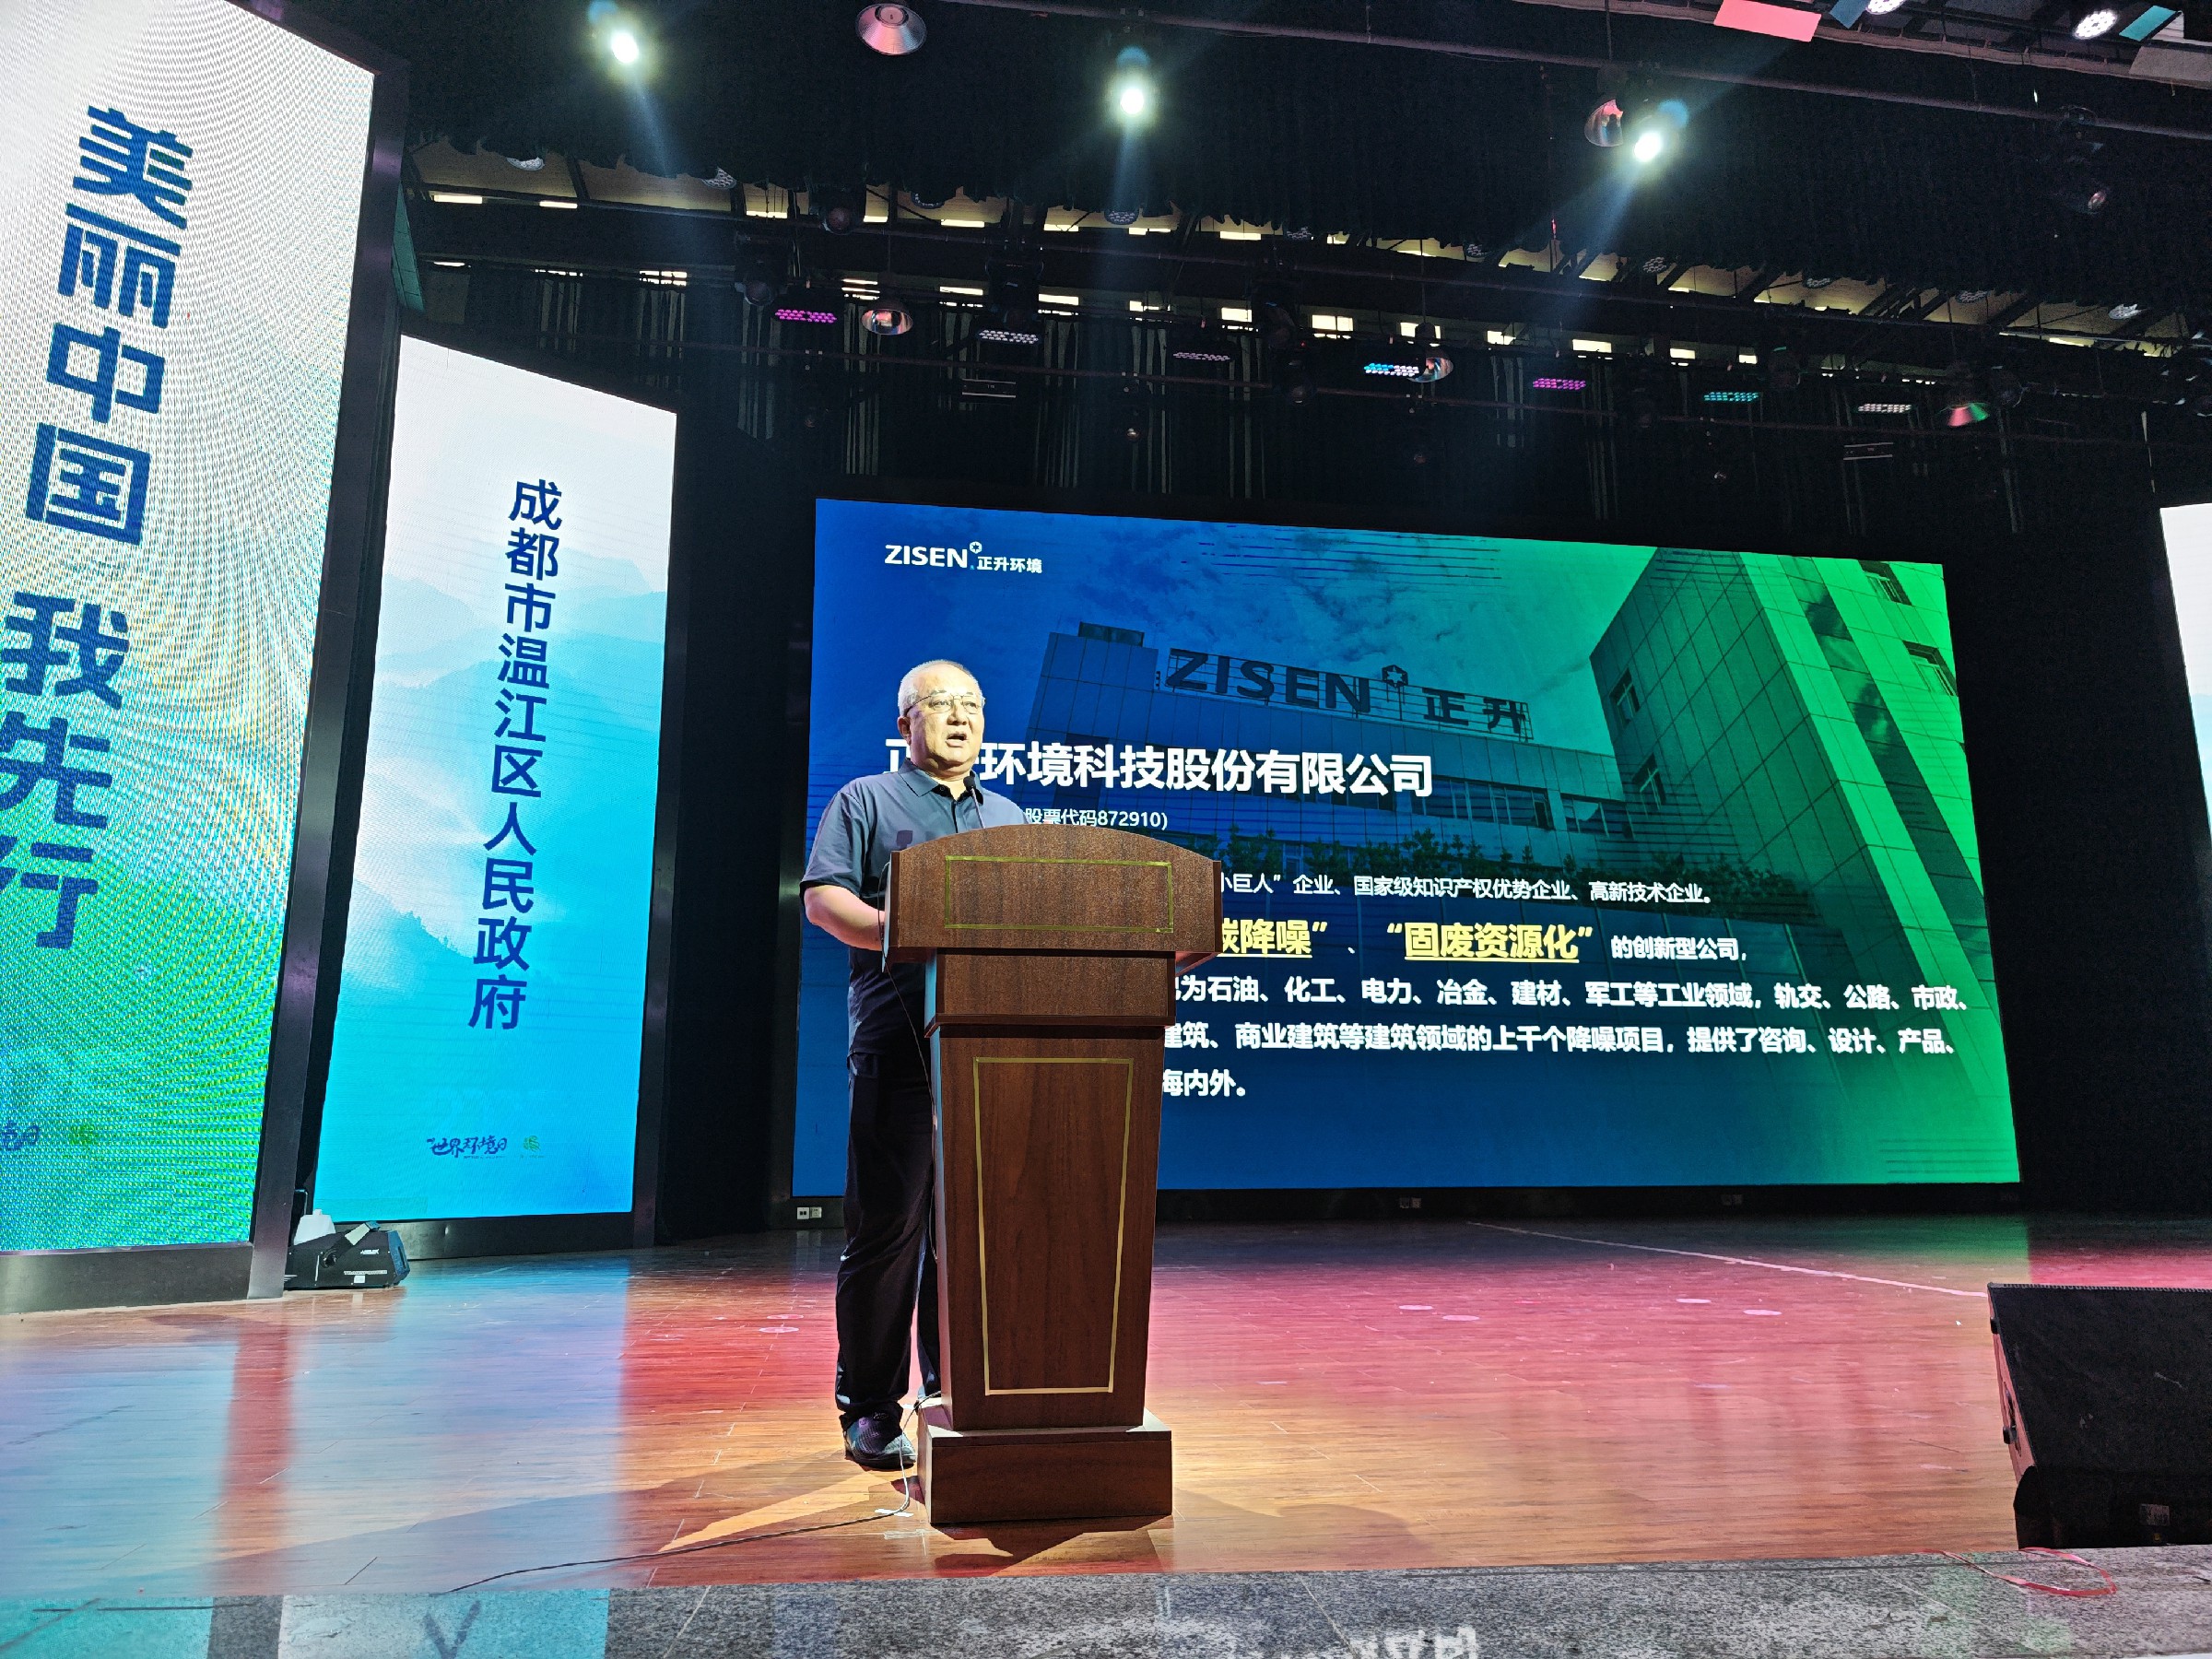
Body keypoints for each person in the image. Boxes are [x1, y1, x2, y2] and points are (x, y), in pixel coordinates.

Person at [799, 659, 1026, 1470]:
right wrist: (904, 931)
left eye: (973, 705)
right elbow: (824, 899)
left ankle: (954, 1390)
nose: (960, 718)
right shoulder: (866, 800)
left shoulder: (1009, 817)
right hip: (898, 1037)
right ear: (905, 723)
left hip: (991, 1046)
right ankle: (869, 1408)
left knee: (970, 1231)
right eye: (941, 704)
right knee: (890, 1226)